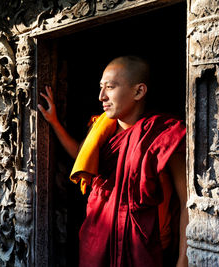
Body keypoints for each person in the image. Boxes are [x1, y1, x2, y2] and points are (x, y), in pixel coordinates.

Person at [37, 56, 188, 267]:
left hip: (140, 247)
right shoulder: (100, 128)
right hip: (96, 240)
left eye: (110, 87)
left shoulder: (164, 134)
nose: (101, 96)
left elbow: (187, 201)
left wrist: (184, 259)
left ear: (139, 91)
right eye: (101, 88)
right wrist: (54, 122)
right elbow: (81, 157)